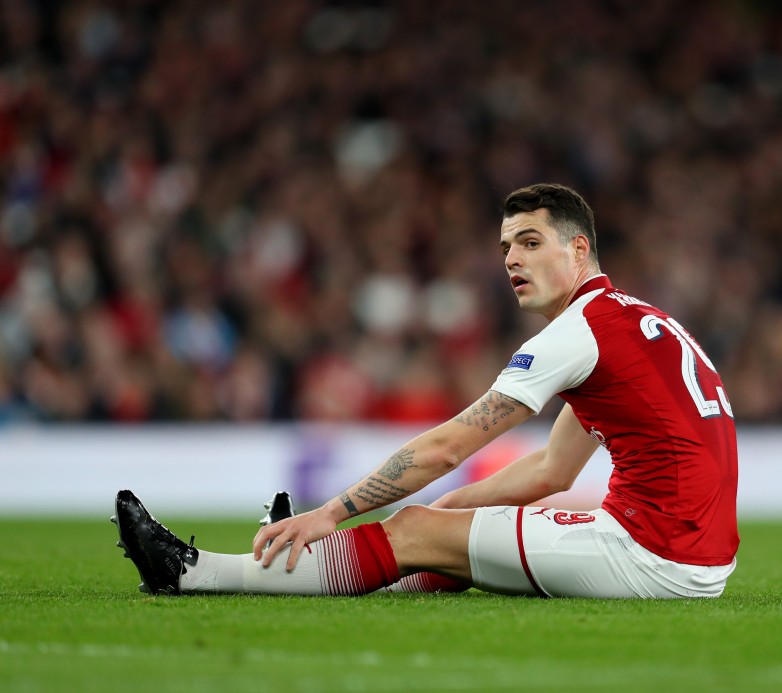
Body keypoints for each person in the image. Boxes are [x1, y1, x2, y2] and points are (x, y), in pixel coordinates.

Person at [113, 183, 740, 599]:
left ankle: (195, 573)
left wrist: (332, 512)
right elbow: (553, 469)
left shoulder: (575, 335)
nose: (511, 260)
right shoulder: (634, 322)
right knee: (438, 530)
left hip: (654, 553)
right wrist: (454, 508)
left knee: (415, 530)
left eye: (530, 243)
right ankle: (322, 570)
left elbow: (446, 448)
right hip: (699, 554)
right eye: (506, 247)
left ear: (579, 249)